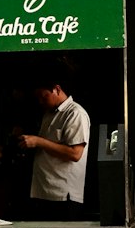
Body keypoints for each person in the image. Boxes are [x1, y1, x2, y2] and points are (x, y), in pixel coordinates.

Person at [19, 69, 90, 220]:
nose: (40, 102)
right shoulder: (48, 114)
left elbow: (75, 154)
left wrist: (38, 141)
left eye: (43, 96)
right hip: (43, 192)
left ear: (56, 89)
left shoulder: (75, 113)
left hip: (64, 195)